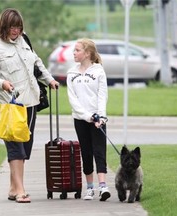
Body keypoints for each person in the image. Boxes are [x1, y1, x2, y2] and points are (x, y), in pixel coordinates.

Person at [0, 8, 59, 203]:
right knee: (15, 147)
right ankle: (20, 190)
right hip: (8, 105)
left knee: (24, 146)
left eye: (18, 27)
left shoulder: (24, 39)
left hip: (30, 101)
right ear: (3, 26)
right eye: (12, 27)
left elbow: (36, 62)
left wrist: (49, 79)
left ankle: (12, 188)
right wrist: (3, 83)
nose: (15, 31)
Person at [66, 38, 110, 201]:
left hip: (98, 119)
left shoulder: (98, 71)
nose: (74, 53)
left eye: (77, 50)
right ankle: (90, 188)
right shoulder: (71, 73)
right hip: (81, 119)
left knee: (99, 151)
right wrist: (87, 116)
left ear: (87, 53)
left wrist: (101, 116)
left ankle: (103, 186)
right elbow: (73, 99)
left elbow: (102, 95)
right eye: (74, 50)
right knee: (86, 151)